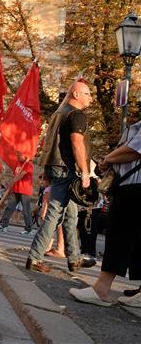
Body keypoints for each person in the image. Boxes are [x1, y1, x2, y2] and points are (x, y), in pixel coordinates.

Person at [69, 117, 141, 307]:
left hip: (134, 187)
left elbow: (134, 150)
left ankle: (101, 289)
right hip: (133, 186)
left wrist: (108, 159)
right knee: (137, 240)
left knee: (119, 234)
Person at [26, 80, 96, 273]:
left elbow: (50, 143)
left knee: (71, 215)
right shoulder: (76, 114)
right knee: (55, 213)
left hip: (56, 167)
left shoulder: (59, 113)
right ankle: (34, 258)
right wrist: (84, 172)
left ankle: (74, 259)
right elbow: (77, 143)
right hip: (67, 169)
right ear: (76, 95)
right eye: (87, 94)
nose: (90, 98)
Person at [0, 151, 34, 234]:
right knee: (9, 207)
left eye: (19, 155)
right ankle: (3, 225)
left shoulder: (28, 164)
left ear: (24, 155)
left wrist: (13, 181)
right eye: (17, 155)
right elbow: (15, 174)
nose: (18, 157)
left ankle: (28, 229)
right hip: (16, 189)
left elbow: (21, 174)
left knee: (26, 210)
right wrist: (11, 186)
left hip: (25, 190)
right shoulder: (18, 164)